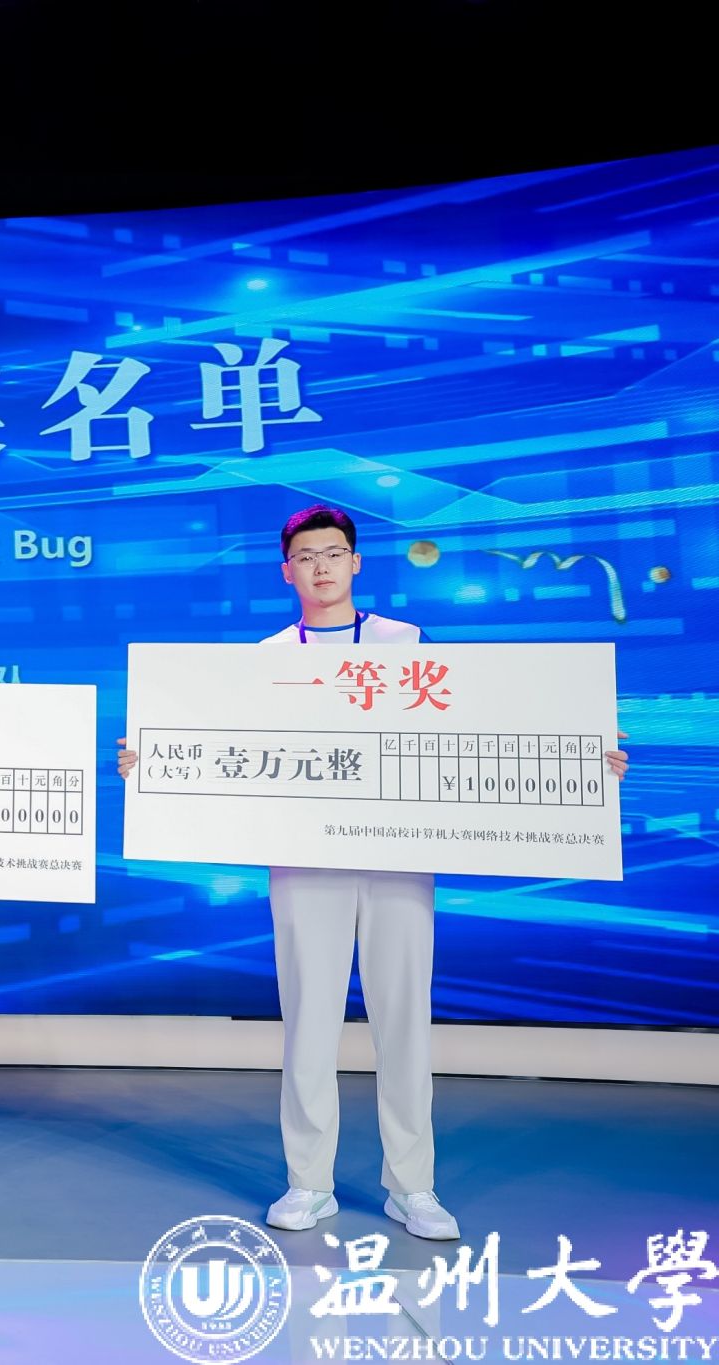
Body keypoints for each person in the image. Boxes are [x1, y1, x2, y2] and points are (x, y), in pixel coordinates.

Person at [117, 505, 629, 1240]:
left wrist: (582, 754)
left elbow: (477, 726)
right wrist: (153, 761)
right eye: (306, 556)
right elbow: (223, 748)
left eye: (333, 553)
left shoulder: (406, 642)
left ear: (356, 562)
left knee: (403, 1020)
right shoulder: (266, 657)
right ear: (286, 570)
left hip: (398, 855)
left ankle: (413, 1186)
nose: (320, 567)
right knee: (308, 1022)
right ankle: (308, 1182)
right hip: (303, 858)